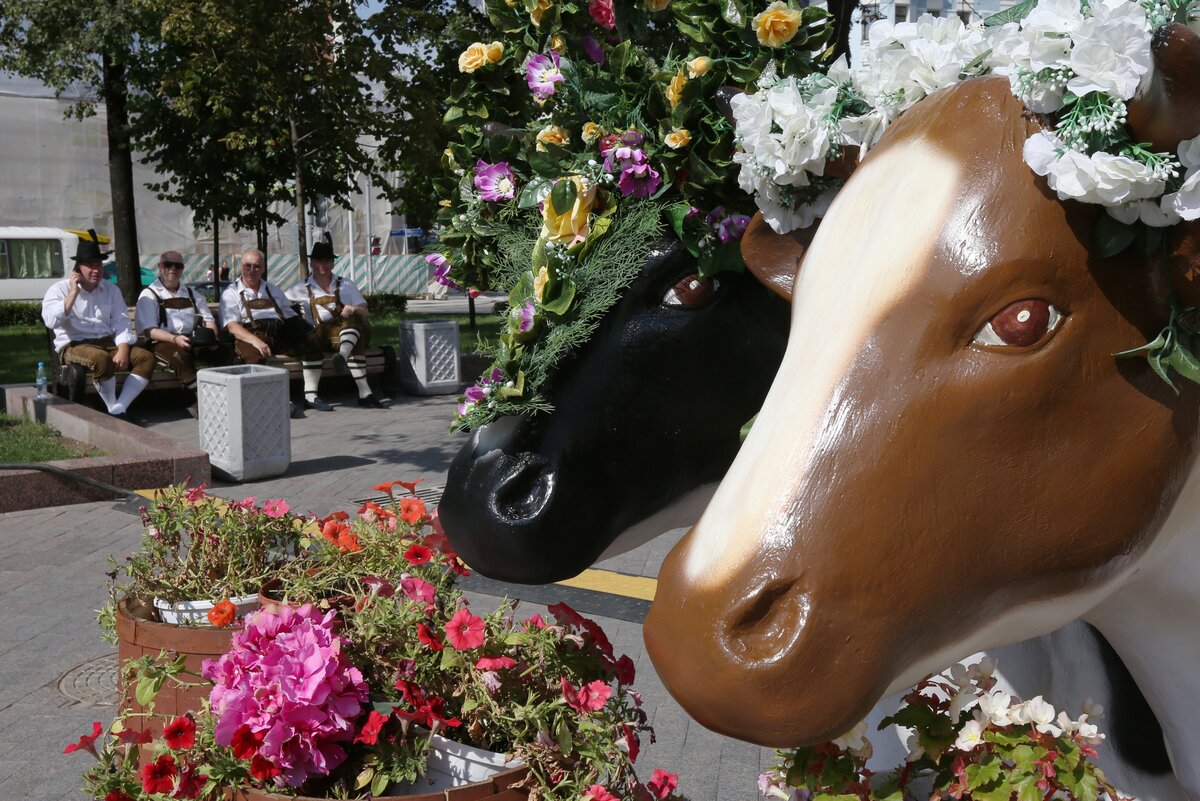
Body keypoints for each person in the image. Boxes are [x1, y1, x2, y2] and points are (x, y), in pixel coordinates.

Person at [41, 229, 155, 417]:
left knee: (145, 358)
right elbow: (51, 321)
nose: (96, 270)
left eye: (99, 265)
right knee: (101, 359)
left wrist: (123, 349)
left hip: (106, 342)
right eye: (90, 266)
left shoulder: (111, 290)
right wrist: (73, 293)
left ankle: (119, 407)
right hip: (73, 345)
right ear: (78, 268)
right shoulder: (59, 289)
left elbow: (121, 322)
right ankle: (113, 407)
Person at [220, 246, 330, 411]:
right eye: (248, 266)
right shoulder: (231, 293)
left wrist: (305, 332)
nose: (252, 270)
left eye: (257, 266)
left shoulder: (273, 290)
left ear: (263, 269)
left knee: (313, 343)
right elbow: (232, 326)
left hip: (277, 334)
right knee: (255, 358)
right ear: (241, 267)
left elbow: (289, 315)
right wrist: (256, 341)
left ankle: (311, 395)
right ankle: (275, 400)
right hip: (250, 336)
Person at [286, 233, 384, 408]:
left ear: (332, 263)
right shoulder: (300, 288)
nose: (323, 264)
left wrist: (354, 309)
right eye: (318, 260)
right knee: (346, 338)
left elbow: (365, 312)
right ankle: (365, 393)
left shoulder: (347, 284)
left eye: (327, 260)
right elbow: (282, 307)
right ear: (312, 263)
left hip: (345, 336)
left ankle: (341, 358)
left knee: (354, 319)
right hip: (321, 337)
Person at [135, 251, 225, 415]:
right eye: (168, 265)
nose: (173, 269)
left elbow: (208, 320)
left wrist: (212, 338)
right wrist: (175, 339)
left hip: (192, 339)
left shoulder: (192, 294)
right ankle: (206, 401)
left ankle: (224, 395)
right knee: (181, 357)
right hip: (162, 342)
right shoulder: (149, 295)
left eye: (178, 266)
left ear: (183, 268)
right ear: (160, 267)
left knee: (223, 353)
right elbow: (149, 330)